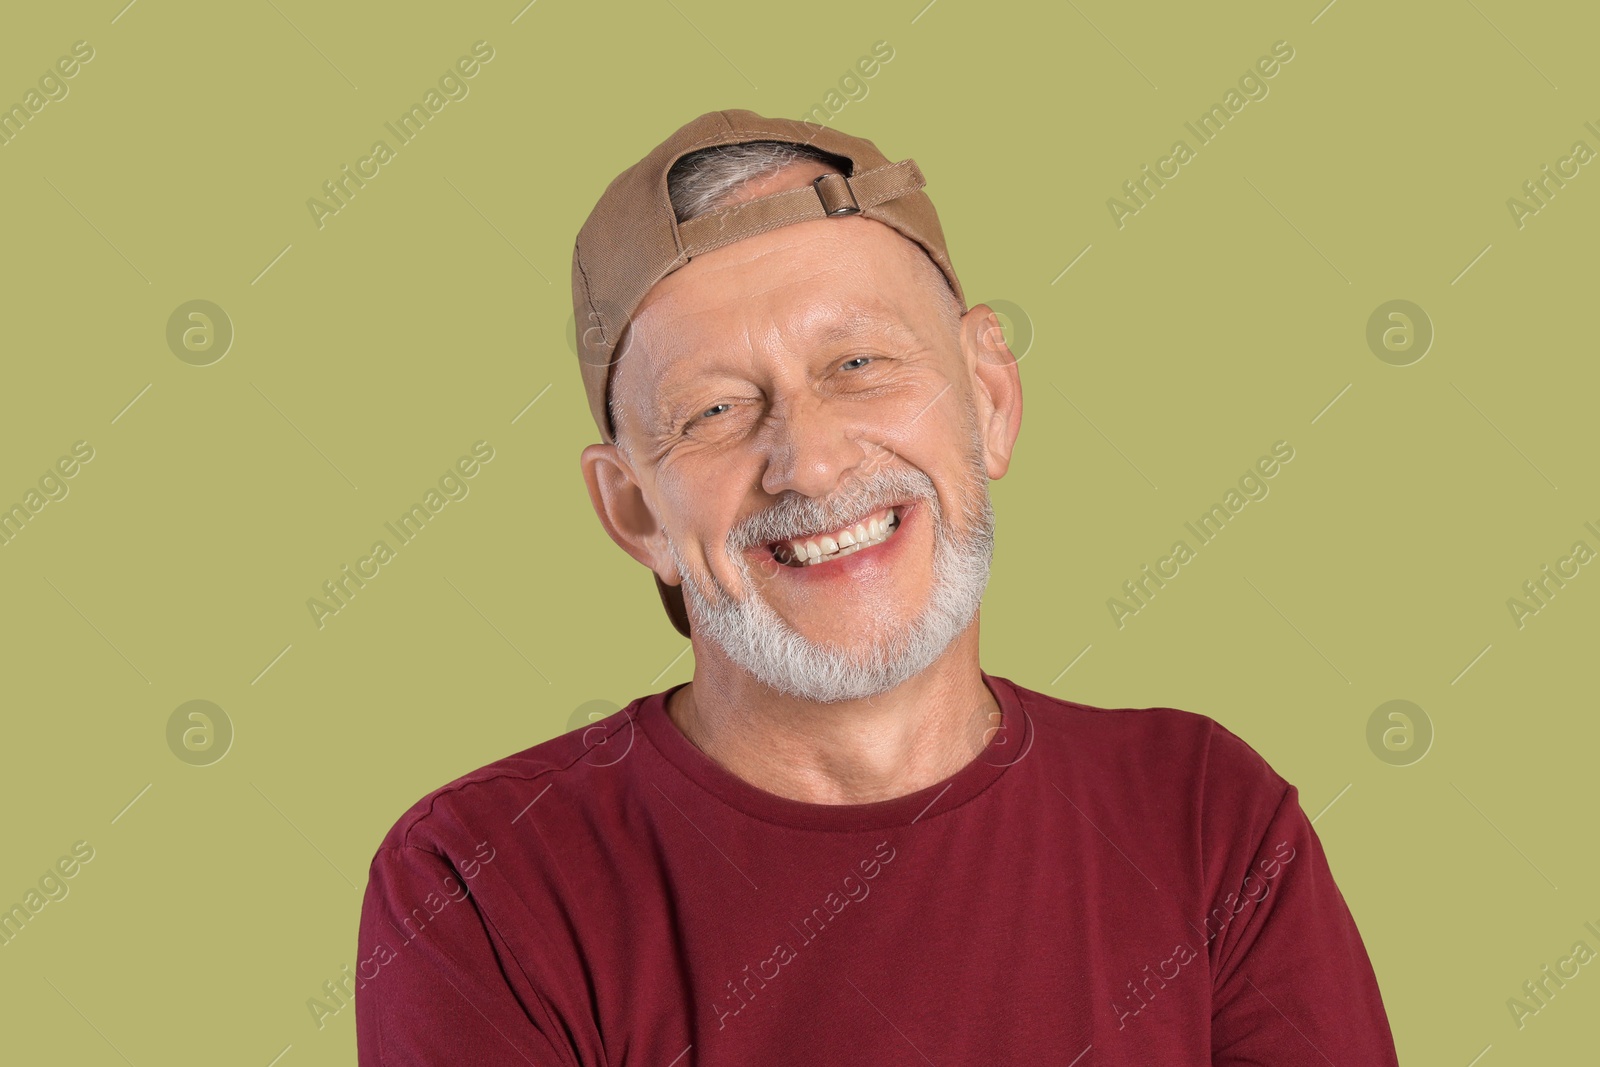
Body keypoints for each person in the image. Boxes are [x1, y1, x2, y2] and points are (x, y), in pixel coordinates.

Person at [355, 109, 1400, 1065]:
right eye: (714, 411)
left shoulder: (1202, 817)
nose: (806, 463)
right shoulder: (482, 880)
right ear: (634, 512)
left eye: (858, 363)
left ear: (988, 396)